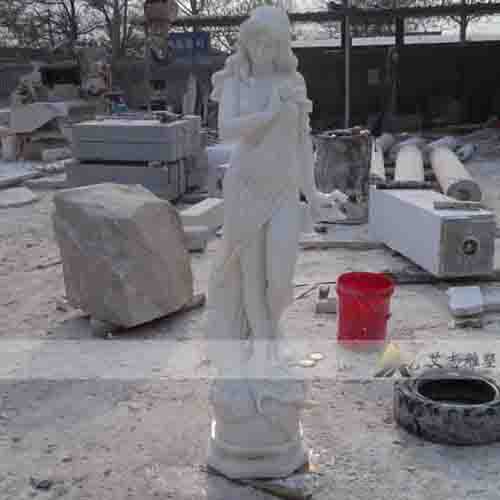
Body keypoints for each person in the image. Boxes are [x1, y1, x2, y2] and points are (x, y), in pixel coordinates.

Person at [207, 6, 346, 371]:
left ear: (281, 44)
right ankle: (263, 344)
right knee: (252, 275)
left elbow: (302, 142)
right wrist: (268, 114)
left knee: (281, 278)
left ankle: (270, 332)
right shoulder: (237, 81)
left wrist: (312, 194)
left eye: (270, 42)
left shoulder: (294, 83)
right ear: (246, 42)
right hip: (246, 186)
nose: (261, 49)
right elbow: (226, 130)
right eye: (255, 41)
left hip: (284, 189)